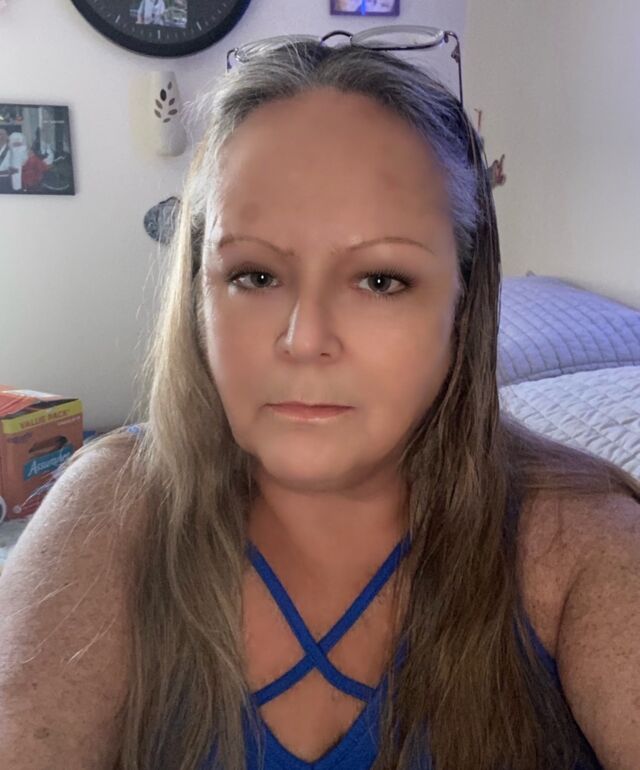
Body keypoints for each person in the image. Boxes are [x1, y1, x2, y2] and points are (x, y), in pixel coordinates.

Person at [0, 38, 639, 770]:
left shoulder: (580, 543)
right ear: (199, 295)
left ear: (464, 308)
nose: (304, 341)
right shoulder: (114, 508)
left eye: (380, 281)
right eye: (255, 276)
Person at [0, 127, 18, 193]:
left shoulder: (13, 150)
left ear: (7, 136)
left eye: (3, 134)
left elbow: (16, 168)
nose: (1, 136)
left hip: (5, 179)